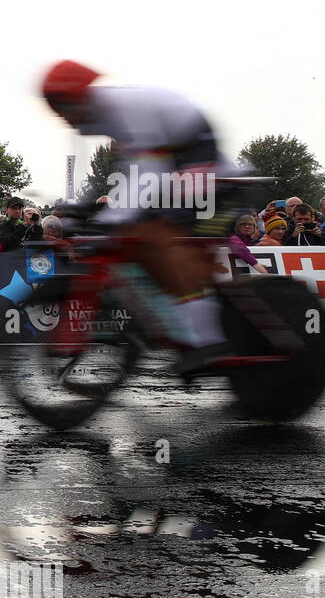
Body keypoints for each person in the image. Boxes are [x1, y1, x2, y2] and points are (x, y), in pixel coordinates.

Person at [41, 59, 243, 372]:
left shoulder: (121, 108)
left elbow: (151, 170)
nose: (63, 119)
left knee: (163, 236)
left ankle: (207, 339)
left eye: (62, 109)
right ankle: (188, 323)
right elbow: (131, 169)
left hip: (195, 152)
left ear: (78, 98)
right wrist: (90, 207)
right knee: (140, 234)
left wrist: (109, 218)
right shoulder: (98, 116)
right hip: (175, 158)